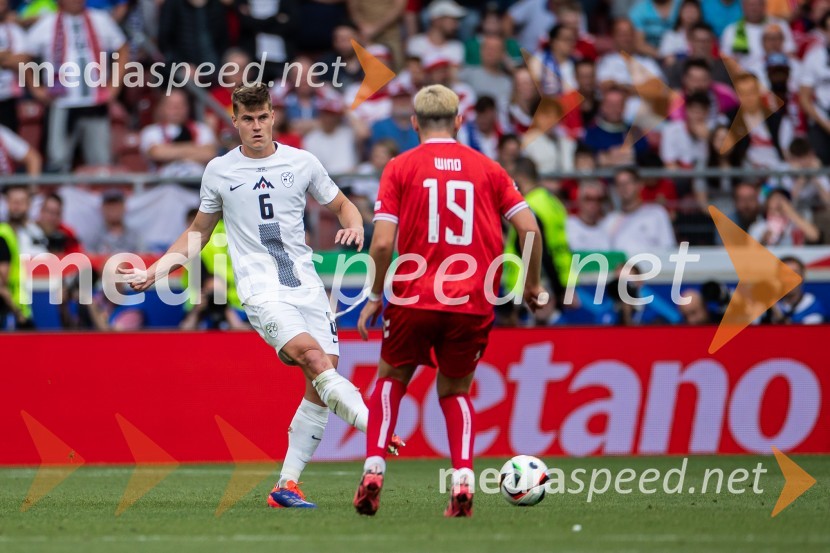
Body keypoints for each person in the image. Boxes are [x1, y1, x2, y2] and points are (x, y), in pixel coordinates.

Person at [119, 83, 402, 509]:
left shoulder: (302, 162)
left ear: (273, 117)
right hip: (261, 290)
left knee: (320, 382)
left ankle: (287, 485)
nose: (256, 126)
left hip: (307, 286)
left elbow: (343, 205)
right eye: (247, 119)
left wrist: (356, 224)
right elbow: (197, 234)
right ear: (234, 120)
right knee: (314, 359)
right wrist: (153, 271)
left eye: (263, 117)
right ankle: (376, 428)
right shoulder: (220, 171)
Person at [352, 84, 546, 518]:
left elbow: (381, 244)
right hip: (473, 298)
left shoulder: (399, 167)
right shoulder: (491, 169)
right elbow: (530, 229)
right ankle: (462, 479)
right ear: (459, 121)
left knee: (391, 378)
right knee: (456, 390)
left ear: (414, 123)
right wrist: (532, 285)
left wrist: (375, 294)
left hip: (415, 295)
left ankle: (374, 468)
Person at [24, 0, 128, 171]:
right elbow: (25, 56)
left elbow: (122, 49)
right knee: (58, 158)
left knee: (101, 160)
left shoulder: (101, 19)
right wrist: (35, 87)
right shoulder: (46, 23)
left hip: (95, 101)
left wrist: (114, 85)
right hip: (62, 102)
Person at [605, 167, 677, 254]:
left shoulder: (656, 213)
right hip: (621, 262)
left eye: (628, 183)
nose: (624, 188)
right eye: (619, 184)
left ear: (639, 185)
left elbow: (668, 247)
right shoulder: (610, 219)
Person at [766, 256, 826, 324]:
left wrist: (778, 316)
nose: (789, 279)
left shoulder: (814, 307)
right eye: (784, 274)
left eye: (795, 273)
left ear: (803, 276)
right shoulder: (770, 305)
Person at [86, 189, 141, 254]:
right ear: (102, 208)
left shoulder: (134, 236)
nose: (113, 209)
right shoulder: (94, 236)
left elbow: (143, 257)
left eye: (117, 206)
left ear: (124, 208)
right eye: (109, 206)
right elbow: (89, 258)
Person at [567, 179, 611, 251]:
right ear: (579, 200)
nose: (593, 203)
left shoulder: (607, 227)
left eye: (598, 199)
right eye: (588, 198)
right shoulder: (568, 225)